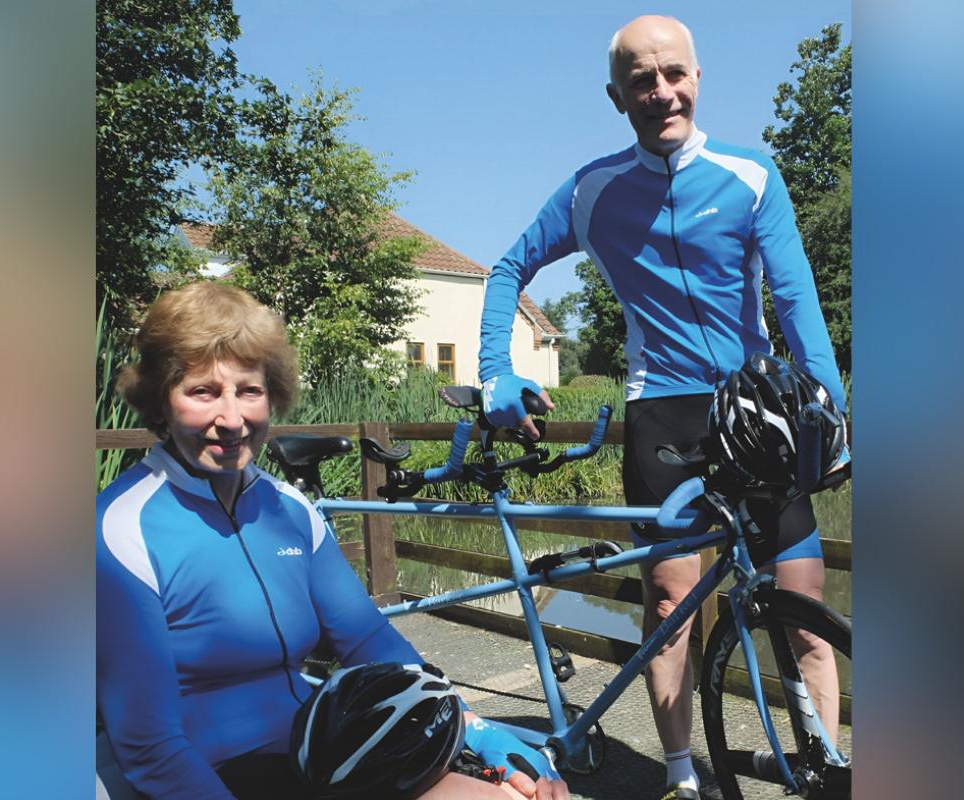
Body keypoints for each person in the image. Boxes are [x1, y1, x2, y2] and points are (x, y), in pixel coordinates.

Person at [477, 16, 847, 800]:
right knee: (674, 602)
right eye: (642, 79)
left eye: (673, 73)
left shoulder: (750, 174)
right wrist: (495, 374)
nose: (661, 91)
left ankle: (827, 768)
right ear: (618, 96)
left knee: (802, 604)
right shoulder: (593, 190)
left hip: (758, 412)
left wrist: (832, 404)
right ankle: (681, 777)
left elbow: (794, 296)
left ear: (698, 77)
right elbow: (508, 267)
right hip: (665, 415)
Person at [97, 281, 569, 800]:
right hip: (207, 773)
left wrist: (474, 727)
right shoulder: (120, 530)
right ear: (161, 403)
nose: (231, 419)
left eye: (249, 391)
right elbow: (150, 746)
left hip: (325, 750)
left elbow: (369, 641)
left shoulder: (289, 509)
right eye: (202, 392)